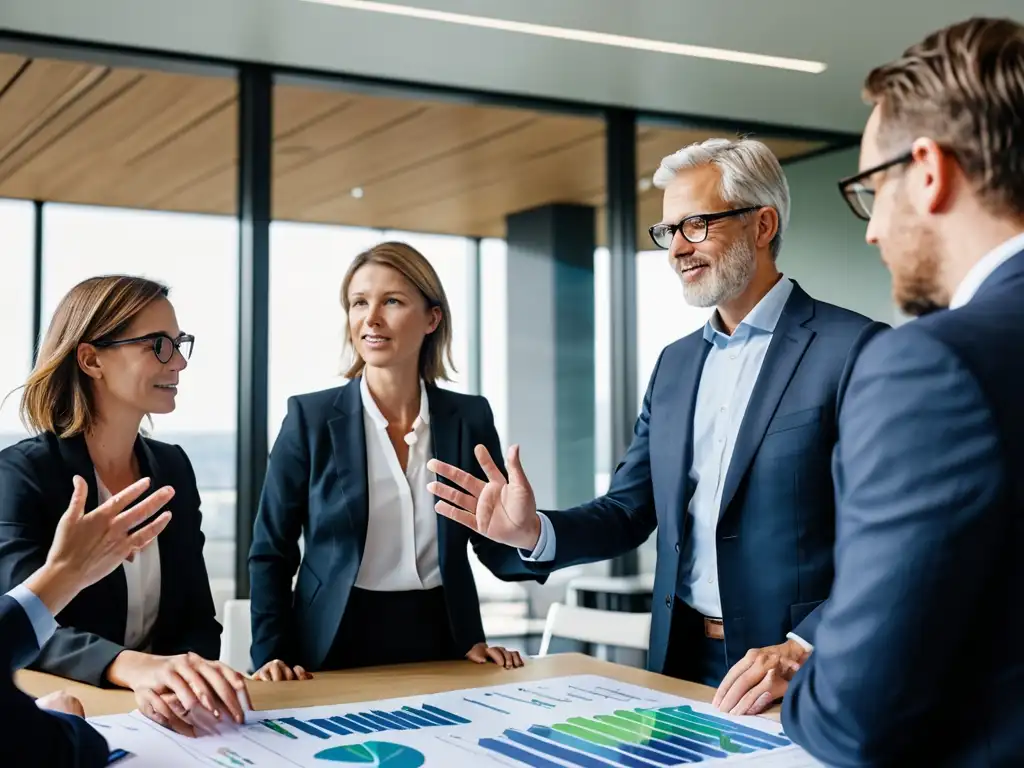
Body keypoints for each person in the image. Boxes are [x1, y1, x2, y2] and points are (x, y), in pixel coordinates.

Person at [429, 138, 885, 704]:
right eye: (669, 231)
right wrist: (534, 532)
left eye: (696, 225)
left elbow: (891, 535)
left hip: (802, 671)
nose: (677, 249)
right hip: (680, 660)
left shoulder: (855, 350)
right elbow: (628, 510)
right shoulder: (675, 365)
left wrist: (803, 646)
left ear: (762, 225)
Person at [781, 17, 1024, 765]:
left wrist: (807, 685)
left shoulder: (930, 366)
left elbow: (857, 720)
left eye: (871, 190)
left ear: (927, 169)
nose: (872, 231)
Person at [249, 242, 534, 680]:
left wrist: (530, 536)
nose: (371, 318)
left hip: (447, 640)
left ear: (432, 318)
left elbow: (492, 540)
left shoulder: (469, 417)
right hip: (330, 640)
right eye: (359, 302)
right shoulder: (309, 418)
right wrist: (271, 652)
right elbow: (272, 550)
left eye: (392, 301)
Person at [0, 275, 249, 738]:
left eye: (179, 344)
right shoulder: (21, 474)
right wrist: (130, 667)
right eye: (157, 345)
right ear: (91, 359)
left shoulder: (173, 467)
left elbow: (197, 617)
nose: (178, 362)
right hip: (70, 713)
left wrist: (181, 679)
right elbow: (21, 624)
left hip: (164, 720)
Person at [3, 474, 173, 767]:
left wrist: (62, 574)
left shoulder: (169, 462)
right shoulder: (21, 472)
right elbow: (65, 750)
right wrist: (64, 717)